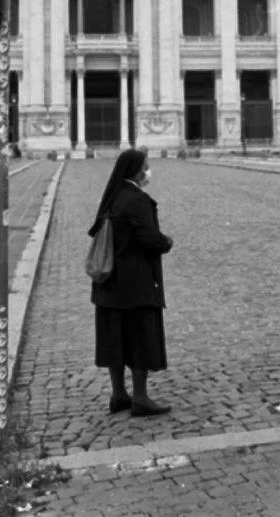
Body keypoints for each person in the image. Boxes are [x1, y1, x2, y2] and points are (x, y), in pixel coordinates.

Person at [88, 148, 173, 417]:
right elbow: (149, 239)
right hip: (135, 283)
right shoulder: (137, 200)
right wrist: (166, 242)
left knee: (114, 339)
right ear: (135, 171)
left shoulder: (112, 197)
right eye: (145, 167)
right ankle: (141, 397)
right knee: (140, 337)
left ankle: (118, 394)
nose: (148, 172)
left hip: (108, 283)